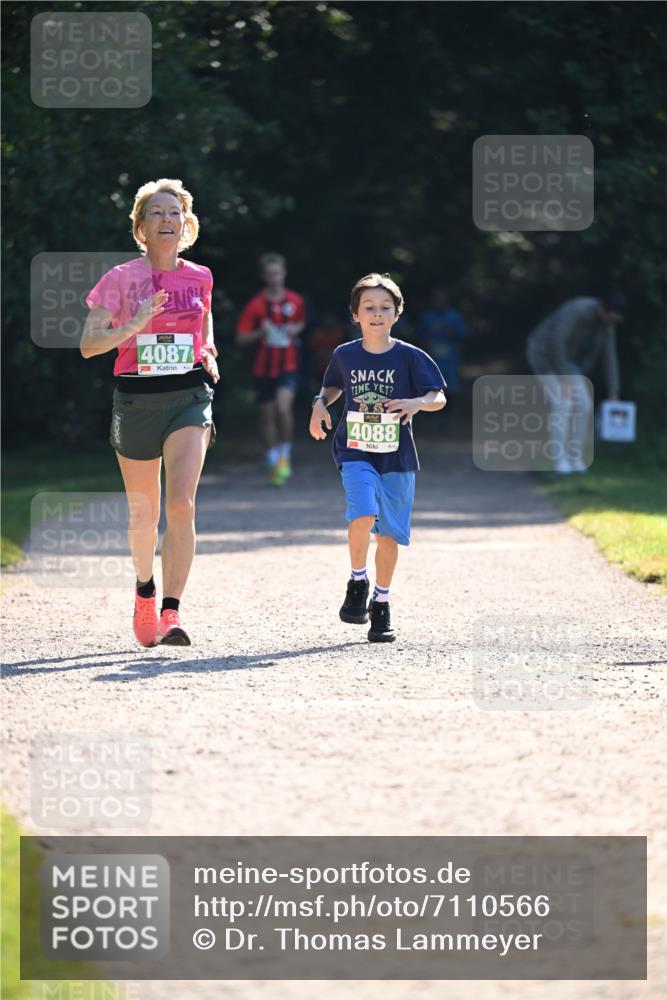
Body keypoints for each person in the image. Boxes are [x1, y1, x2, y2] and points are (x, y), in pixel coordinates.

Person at [81, 178, 220, 647]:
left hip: (189, 397)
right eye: (156, 214)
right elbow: (88, 345)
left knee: (180, 503)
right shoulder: (119, 280)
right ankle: (145, 588)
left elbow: (204, 319)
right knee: (144, 515)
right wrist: (136, 322)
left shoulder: (200, 275)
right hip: (137, 400)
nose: (167, 220)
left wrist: (210, 350)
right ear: (140, 228)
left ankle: (172, 612)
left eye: (174, 213)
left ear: (187, 224)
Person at [309, 272, 447, 643]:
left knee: (389, 535)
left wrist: (417, 403)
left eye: (385, 307)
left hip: (397, 457)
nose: (376, 313)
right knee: (362, 513)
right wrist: (320, 404)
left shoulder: (410, 356)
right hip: (355, 450)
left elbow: (439, 396)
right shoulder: (345, 354)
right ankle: (357, 579)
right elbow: (333, 385)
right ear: (355, 314)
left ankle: (381, 602)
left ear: (397, 313)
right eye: (368, 307)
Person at [525, 291, 626, 474]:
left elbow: (609, 357)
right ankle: (560, 461)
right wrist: (564, 380)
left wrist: (614, 392)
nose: (614, 323)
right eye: (612, 318)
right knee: (562, 403)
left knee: (584, 405)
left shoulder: (607, 325)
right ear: (603, 310)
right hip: (543, 356)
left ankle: (575, 458)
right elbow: (556, 342)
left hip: (569, 362)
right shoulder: (577, 309)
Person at [236, 253, 306, 485]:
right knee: (266, 415)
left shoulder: (295, 301)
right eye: (270, 274)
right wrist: (260, 333)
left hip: (288, 364)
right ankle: (272, 459)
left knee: (283, 408)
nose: (275, 278)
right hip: (262, 368)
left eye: (278, 273)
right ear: (264, 276)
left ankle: (285, 456)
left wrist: (295, 329)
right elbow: (241, 338)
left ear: (284, 273)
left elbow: (301, 322)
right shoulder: (256, 305)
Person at [417, 285, 467, 393]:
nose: (439, 301)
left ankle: (450, 406)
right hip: (432, 356)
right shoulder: (427, 317)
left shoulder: (454, 316)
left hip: (450, 356)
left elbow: (462, 335)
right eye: (436, 298)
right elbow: (421, 336)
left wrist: (450, 332)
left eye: (442, 298)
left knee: (451, 383)